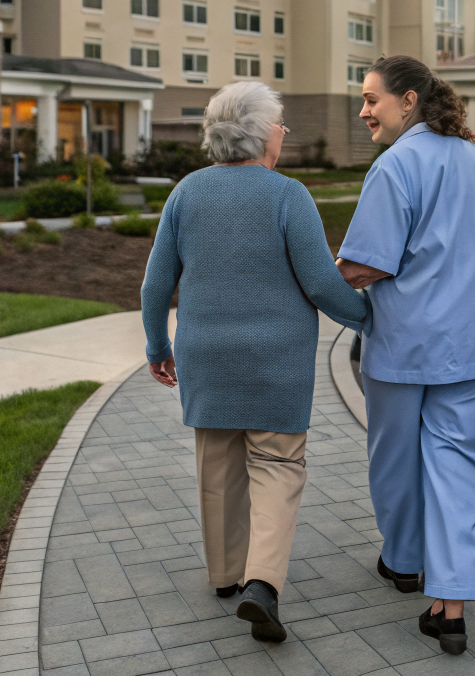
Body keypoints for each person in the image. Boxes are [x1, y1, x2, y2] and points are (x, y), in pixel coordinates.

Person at [141, 80, 370, 644]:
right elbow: (320, 281)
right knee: (277, 467)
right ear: (265, 133)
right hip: (277, 361)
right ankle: (262, 584)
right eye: (282, 125)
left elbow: (155, 285)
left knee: (216, 463)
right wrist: (370, 318)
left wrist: (156, 347)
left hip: (206, 357)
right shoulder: (287, 195)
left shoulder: (186, 194)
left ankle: (224, 576)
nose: (284, 134)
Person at [336, 55, 475, 656]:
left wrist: (312, 278)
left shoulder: (395, 167)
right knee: (458, 467)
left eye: (370, 100)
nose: (363, 111)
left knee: (394, 461)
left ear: (408, 100)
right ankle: (452, 604)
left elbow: (366, 264)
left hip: (407, 347)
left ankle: (405, 561)